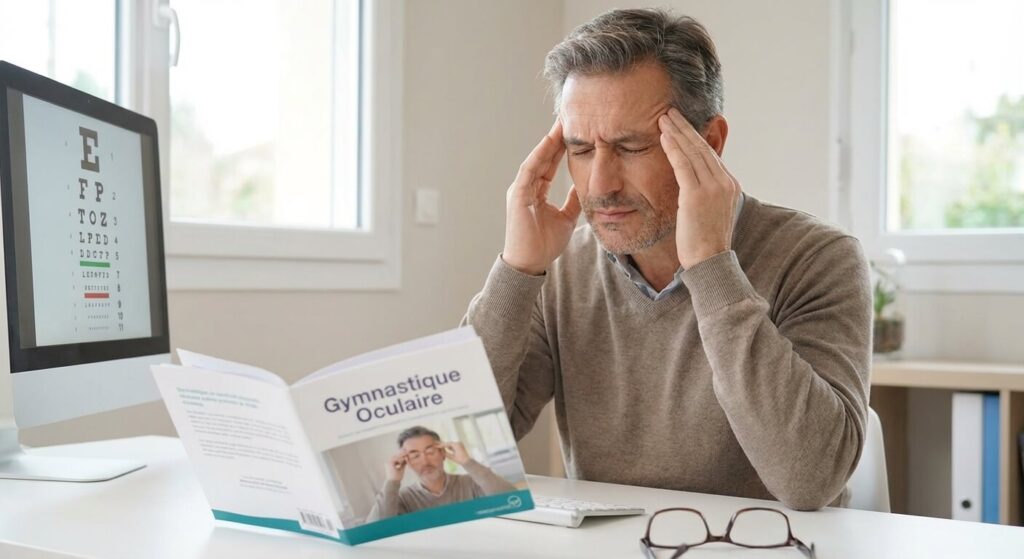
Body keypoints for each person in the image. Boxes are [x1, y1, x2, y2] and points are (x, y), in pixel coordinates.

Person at [463, 8, 872, 511]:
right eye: (581, 150)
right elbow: (458, 453)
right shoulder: (562, 267)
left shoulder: (817, 258)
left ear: (711, 143)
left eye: (631, 146)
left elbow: (810, 480)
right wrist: (516, 271)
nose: (600, 185)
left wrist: (711, 266)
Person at [365, 426, 515, 521]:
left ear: (443, 453)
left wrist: (467, 461)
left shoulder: (471, 482)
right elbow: (373, 531)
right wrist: (392, 481)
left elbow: (512, 498)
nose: (425, 461)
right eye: (415, 455)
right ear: (407, 462)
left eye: (430, 451)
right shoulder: (402, 498)